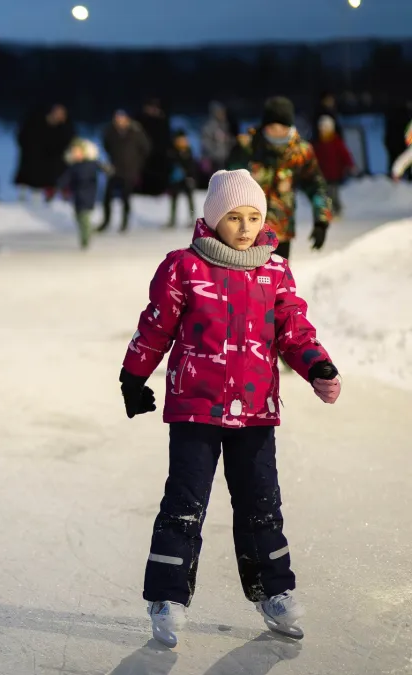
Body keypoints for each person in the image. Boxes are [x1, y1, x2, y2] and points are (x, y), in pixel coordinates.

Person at [119, 169, 342, 648]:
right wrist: (134, 376)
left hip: (256, 411)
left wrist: (318, 366)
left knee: (263, 505)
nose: (245, 227)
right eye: (234, 217)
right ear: (212, 219)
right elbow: (155, 326)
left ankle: (275, 592)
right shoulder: (184, 267)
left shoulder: (276, 270)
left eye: (254, 217)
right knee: (184, 505)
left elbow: (293, 331)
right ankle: (167, 598)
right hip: (195, 409)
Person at [226, 97, 333, 259]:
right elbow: (227, 183)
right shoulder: (249, 147)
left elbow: (316, 186)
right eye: (272, 127)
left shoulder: (300, 152)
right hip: (246, 232)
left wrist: (321, 221)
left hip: (280, 234)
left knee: (277, 281)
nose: (276, 132)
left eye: (281, 127)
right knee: (245, 282)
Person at [99, 110, 151, 233]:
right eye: (117, 119)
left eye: (121, 119)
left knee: (125, 197)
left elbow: (146, 148)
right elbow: (105, 146)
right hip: (114, 168)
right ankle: (106, 222)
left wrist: (136, 163)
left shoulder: (136, 131)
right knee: (107, 197)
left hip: (129, 170)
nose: (119, 122)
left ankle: (124, 223)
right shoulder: (110, 131)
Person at [57, 139, 104, 249]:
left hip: (88, 193)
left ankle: (85, 238)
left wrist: (107, 170)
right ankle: (86, 231)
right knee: (78, 216)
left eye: (78, 151)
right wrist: (59, 184)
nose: (76, 154)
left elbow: (101, 167)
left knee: (85, 215)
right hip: (77, 194)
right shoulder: (74, 166)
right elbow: (66, 177)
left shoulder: (91, 164)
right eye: (74, 152)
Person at [310, 115, 355, 217]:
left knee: (333, 193)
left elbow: (345, 154)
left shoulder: (336, 142)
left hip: (335, 174)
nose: (323, 130)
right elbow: (313, 156)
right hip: (322, 173)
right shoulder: (318, 143)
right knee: (324, 193)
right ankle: (327, 211)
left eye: (325, 128)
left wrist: (350, 165)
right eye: (321, 128)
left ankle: (337, 209)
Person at [166, 130, 198, 229]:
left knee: (190, 199)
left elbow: (193, 166)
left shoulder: (189, 151)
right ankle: (172, 219)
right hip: (176, 179)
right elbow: (169, 166)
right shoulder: (172, 152)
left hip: (187, 179)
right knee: (174, 199)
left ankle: (192, 219)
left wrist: (192, 177)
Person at [200, 102, 235, 175]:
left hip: (226, 158)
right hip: (214, 160)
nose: (222, 114)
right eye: (220, 112)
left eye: (223, 112)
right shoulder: (209, 126)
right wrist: (214, 153)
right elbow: (206, 143)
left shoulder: (226, 125)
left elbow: (229, 140)